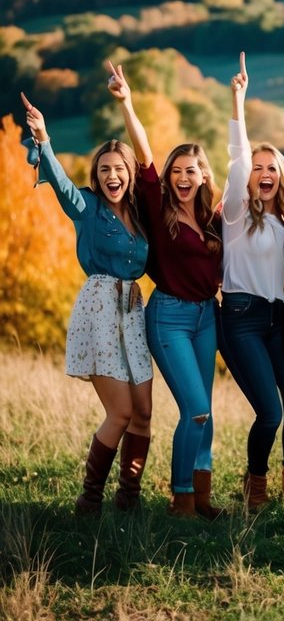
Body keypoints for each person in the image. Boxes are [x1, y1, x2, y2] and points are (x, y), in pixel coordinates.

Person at [20, 91, 153, 515]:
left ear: (130, 173)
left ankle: (128, 498)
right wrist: (44, 139)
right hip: (98, 311)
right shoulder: (88, 207)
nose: (112, 175)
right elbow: (59, 182)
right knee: (121, 411)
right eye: (105, 170)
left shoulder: (141, 215)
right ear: (97, 176)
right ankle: (89, 498)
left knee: (144, 412)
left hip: (134, 315)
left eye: (119, 169)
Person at [108, 62, 223, 519]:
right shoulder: (159, 209)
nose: (181, 177)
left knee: (206, 413)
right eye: (176, 170)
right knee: (195, 408)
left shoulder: (212, 219)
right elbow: (144, 157)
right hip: (169, 317)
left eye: (190, 171)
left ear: (202, 175)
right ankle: (180, 501)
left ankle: (202, 496)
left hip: (206, 317)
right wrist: (128, 104)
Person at [217, 52, 284, 509]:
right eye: (259, 167)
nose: (265, 173)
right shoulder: (234, 213)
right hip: (240, 317)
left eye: (273, 167)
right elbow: (236, 159)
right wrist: (239, 102)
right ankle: (255, 485)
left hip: (279, 319)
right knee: (269, 413)